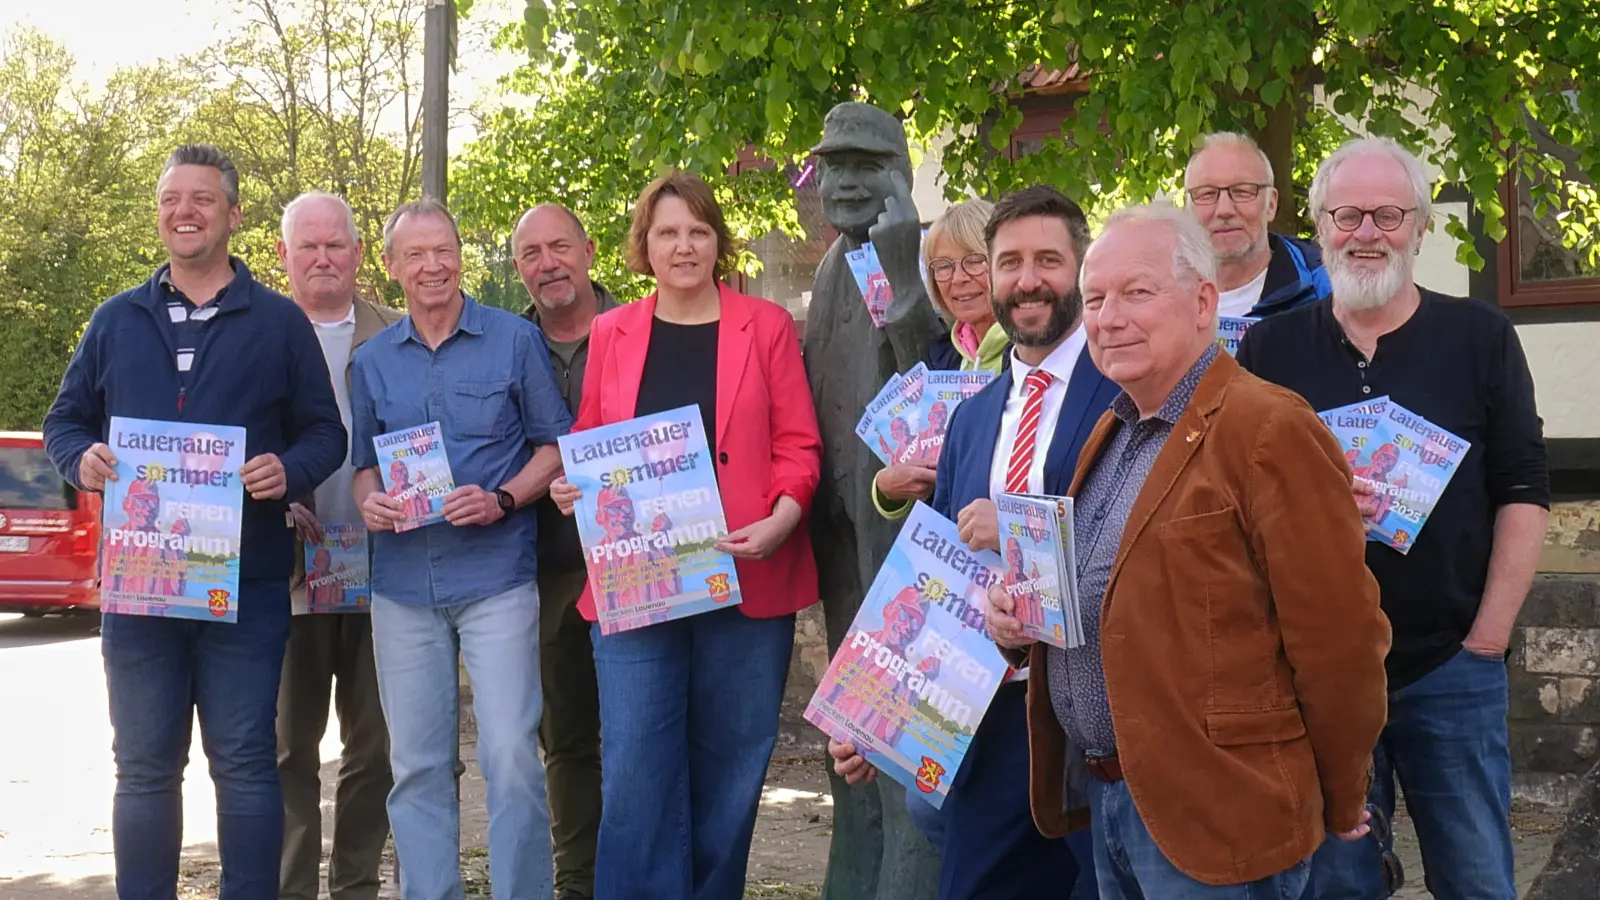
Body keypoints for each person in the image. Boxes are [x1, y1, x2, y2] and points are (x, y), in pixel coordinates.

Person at [989, 201, 1391, 899]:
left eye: (1136, 293)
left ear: (1204, 302)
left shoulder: (1267, 427)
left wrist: (1340, 794)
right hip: (1115, 801)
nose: (1109, 317)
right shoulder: (1115, 429)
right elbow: (1114, 599)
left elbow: (1340, 643)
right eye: (1095, 299)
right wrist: (1018, 627)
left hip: (1220, 815)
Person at [1235, 137, 1550, 900]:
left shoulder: (1480, 338)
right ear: (1317, 224)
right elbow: (1235, 504)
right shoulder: (1268, 349)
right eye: (1347, 214)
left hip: (1451, 664)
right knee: (1338, 886)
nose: (1366, 232)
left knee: (1477, 880)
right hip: (1321, 672)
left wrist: (1488, 642)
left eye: (1387, 214)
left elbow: (1524, 491)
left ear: (1418, 228)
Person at [42, 144, 347, 900]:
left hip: (245, 585)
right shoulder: (116, 319)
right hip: (141, 589)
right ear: (159, 214)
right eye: (172, 198)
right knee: (143, 766)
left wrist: (290, 470)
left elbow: (324, 434)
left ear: (233, 215)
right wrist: (81, 459)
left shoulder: (278, 322)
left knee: (244, 761)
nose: (185, 211)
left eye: (202, 199)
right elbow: (64, 423)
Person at [830, 185, 1116, 900]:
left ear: (1081, 268)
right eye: (1009, 261)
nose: (1027, 279)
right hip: (992, 719)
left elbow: (1144, 541)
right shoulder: (973, 416)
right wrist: (876, 717)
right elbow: (944, 581)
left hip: (1105, 721)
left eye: (1048, 259)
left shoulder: (1125, 389)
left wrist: (1015, 524)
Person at [549, 170, 822, 900]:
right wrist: (569, 485)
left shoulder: (764, 327)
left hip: (748, 575)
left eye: (698, 231)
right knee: (636, 767)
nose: (684, 246)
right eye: (668, 232)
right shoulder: (614, 331)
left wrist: (782, 519)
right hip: (638, 586)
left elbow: (799, 445)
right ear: (645, 244)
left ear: (718, 241)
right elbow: (588, 440)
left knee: (731, 771)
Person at [349, 198, 572, 900]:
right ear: (391, 269)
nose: (432, 265)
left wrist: (503, 497)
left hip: (498, 578)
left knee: (510, 754)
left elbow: (555, 447)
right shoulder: (371, 361)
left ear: (461, 256)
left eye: (442, 249)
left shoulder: (513, 339)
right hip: (403, 588)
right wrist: (369, 502)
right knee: (415, 764)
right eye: (414, 254)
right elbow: (362, 466)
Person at [802, 101, 946, 900]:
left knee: (902, 753)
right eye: (835, 166)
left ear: (900, 173)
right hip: (841, 536)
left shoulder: (927, 257)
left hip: (903, 543)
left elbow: (940, 372)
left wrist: (904, 276)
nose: (848, 182)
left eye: (866, 165)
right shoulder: (830, 266)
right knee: (849, 743)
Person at [275, 191, 402, 900]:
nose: (322, 258)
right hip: (288, 580)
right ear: (284, 254)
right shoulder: (259, 331)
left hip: (384, 575)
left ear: (358, 254)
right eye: (308, 246)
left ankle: (354, 884)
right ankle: (290, 888)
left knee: (375, 748)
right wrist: (267, 497)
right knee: (290, 749)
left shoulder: (399, 333)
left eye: (336, 245)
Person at [513, 203, 617, 900]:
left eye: (559, 247)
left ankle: (644, 879)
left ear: (587, 248)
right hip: (546, 571)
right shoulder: (503, 345)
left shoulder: (647, 328)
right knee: (568, 741)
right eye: (530, 254)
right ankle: (577, 886)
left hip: (644, 564)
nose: (548, 263)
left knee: (647, 737)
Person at [871, 197, 1009, 522]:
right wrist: (886, 488)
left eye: (974, 261)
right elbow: (922, 476)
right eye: (943, 266)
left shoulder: (1031, 356)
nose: (958, 278)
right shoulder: (938, 360)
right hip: (951, 558)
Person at [1184, 132, 1331, 318]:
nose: (1224, 209)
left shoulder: (1324, 289)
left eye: (1243, 192)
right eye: (1206, 194)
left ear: (1271, 204)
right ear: (1187, 207)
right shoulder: (1156, 288)